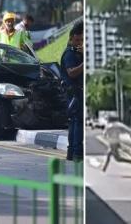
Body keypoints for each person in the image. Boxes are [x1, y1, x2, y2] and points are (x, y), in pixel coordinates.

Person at [60, 21, 84, 161]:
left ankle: (72, 152)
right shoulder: (69, 53)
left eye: (81, 40)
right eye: (76, 40)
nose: (79, 43)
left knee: (75, 121)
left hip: (74, 91)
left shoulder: (76, 52)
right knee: (77, 121)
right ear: (71, 38)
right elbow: (72, 73)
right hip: (73, 92)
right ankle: (77, 152)